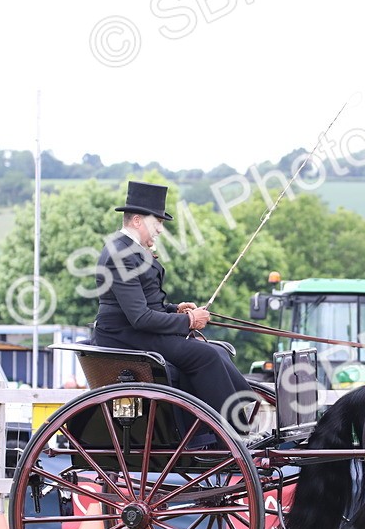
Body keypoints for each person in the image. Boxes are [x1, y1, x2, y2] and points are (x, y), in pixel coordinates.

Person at [92, 181, 256, 436]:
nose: (160, 229)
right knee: (205, 355)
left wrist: (174, 309)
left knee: (218, 350)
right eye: (157, 222)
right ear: (137, 220)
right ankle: (234, 434)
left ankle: (228, 423)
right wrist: (189, 321)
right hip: (125, 337)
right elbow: (139, 317)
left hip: (138, 332)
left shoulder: (129, 250)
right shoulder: (120, 255)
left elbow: (146, 303)